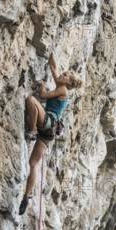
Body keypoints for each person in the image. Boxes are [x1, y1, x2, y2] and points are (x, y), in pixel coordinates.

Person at [19, 51, 83, 215]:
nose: (61, 74)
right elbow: (53, 66)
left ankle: (32, 130)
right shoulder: (61, 85)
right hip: (49, 132)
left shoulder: (63, 91)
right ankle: (27, 196)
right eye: (63, 73)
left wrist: (42, 86)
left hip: (48, 123)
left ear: (68, 82)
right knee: (33, 164)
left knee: (31, 101)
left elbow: (42, 96)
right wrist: (51, 51)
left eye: (65, 74)